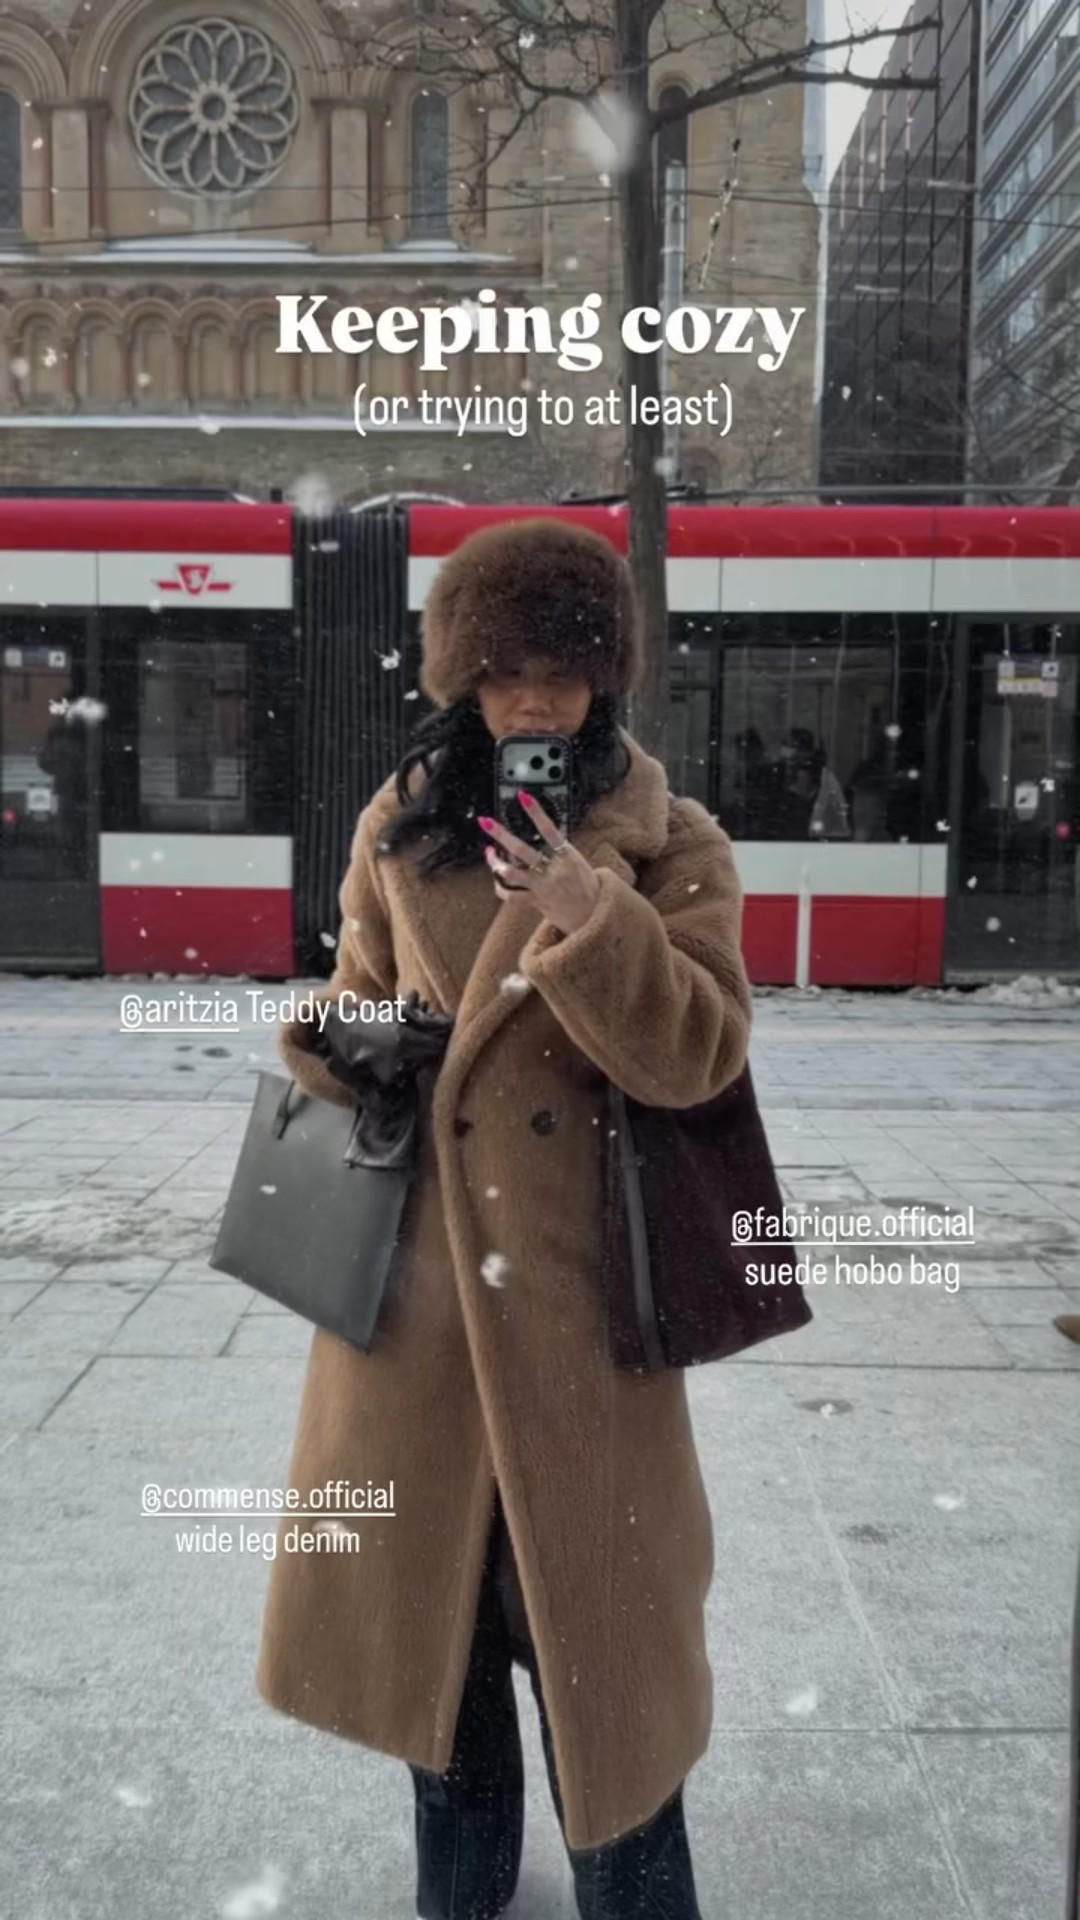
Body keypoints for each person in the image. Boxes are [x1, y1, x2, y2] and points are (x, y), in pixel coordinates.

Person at [254, 516, 754, 1919]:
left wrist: (593, 916)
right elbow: (347, 996)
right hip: (417, 1317)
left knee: (610, 1702)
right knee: (444, 1681)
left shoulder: (672, 844)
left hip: (582, 1319)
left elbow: (702, 1053)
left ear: (607, 680)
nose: (533, 701)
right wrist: (347, 1041)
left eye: (561, 671)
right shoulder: (401, 823)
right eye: (504, 672)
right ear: (461, 680)